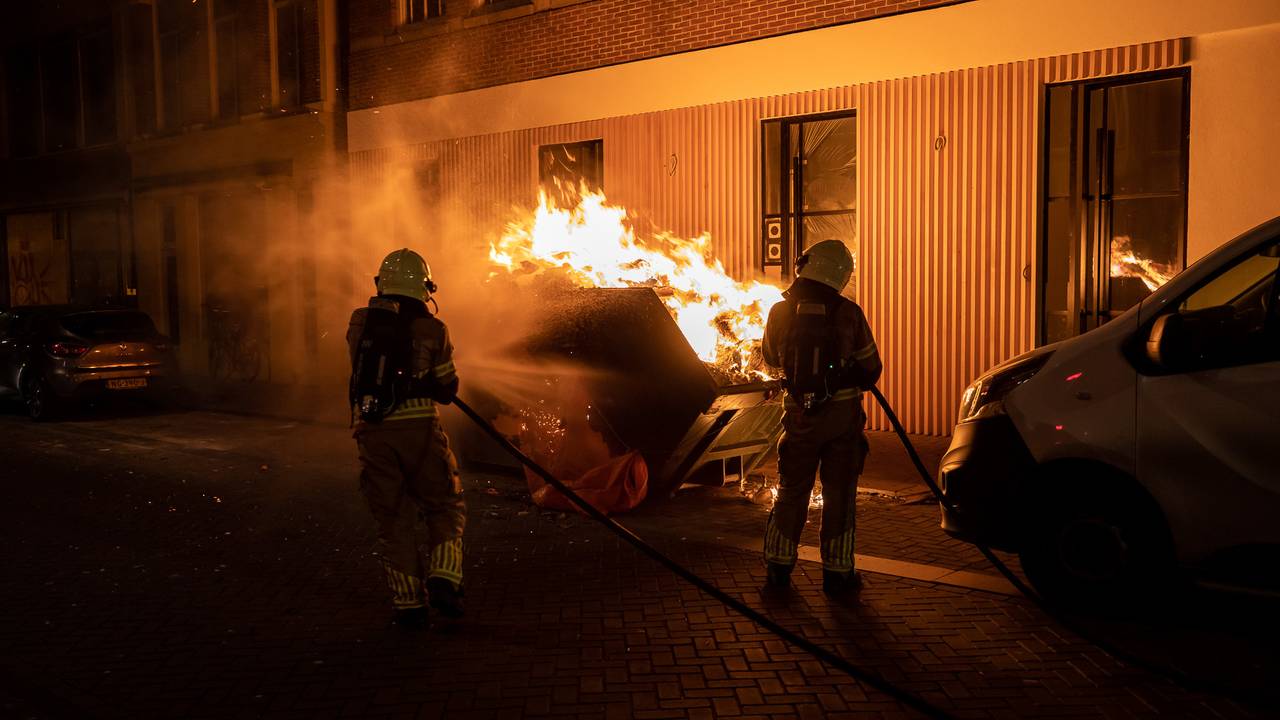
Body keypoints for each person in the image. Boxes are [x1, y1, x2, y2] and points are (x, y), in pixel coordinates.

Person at [347, 248, 465, 628]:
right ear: (423, 287)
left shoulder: (359, 322)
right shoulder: (433, 328)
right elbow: (447, 388)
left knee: (393, 519)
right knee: (443, 505)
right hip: (420, 432)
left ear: (381, 283)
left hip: (374, 432)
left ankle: (408, 604)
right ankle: (444, 578)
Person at [761, 240, 882, 596]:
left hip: (799, 416)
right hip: (842, 420)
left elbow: (769, 357)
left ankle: (779, 568)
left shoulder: (779, 311)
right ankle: (838, 574)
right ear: (840, 275)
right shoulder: (849, 312)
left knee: (791, 491)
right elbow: (871, 368)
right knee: (839, 494)